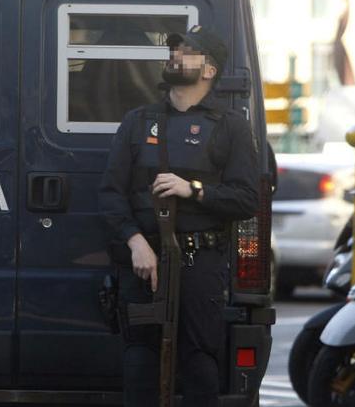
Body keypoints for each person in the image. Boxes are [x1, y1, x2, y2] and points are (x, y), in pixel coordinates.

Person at [98, 25, 260, 406]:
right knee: (139, 360)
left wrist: (193, 190)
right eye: (174, 49)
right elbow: (110, 193)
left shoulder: (231, 126)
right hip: (145, 260)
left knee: (200, 361)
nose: (175, 56)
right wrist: (135, 242)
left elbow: (247, 199)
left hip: (200, 260)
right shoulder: (138, 122)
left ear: (209, 70)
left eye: (186, 51)